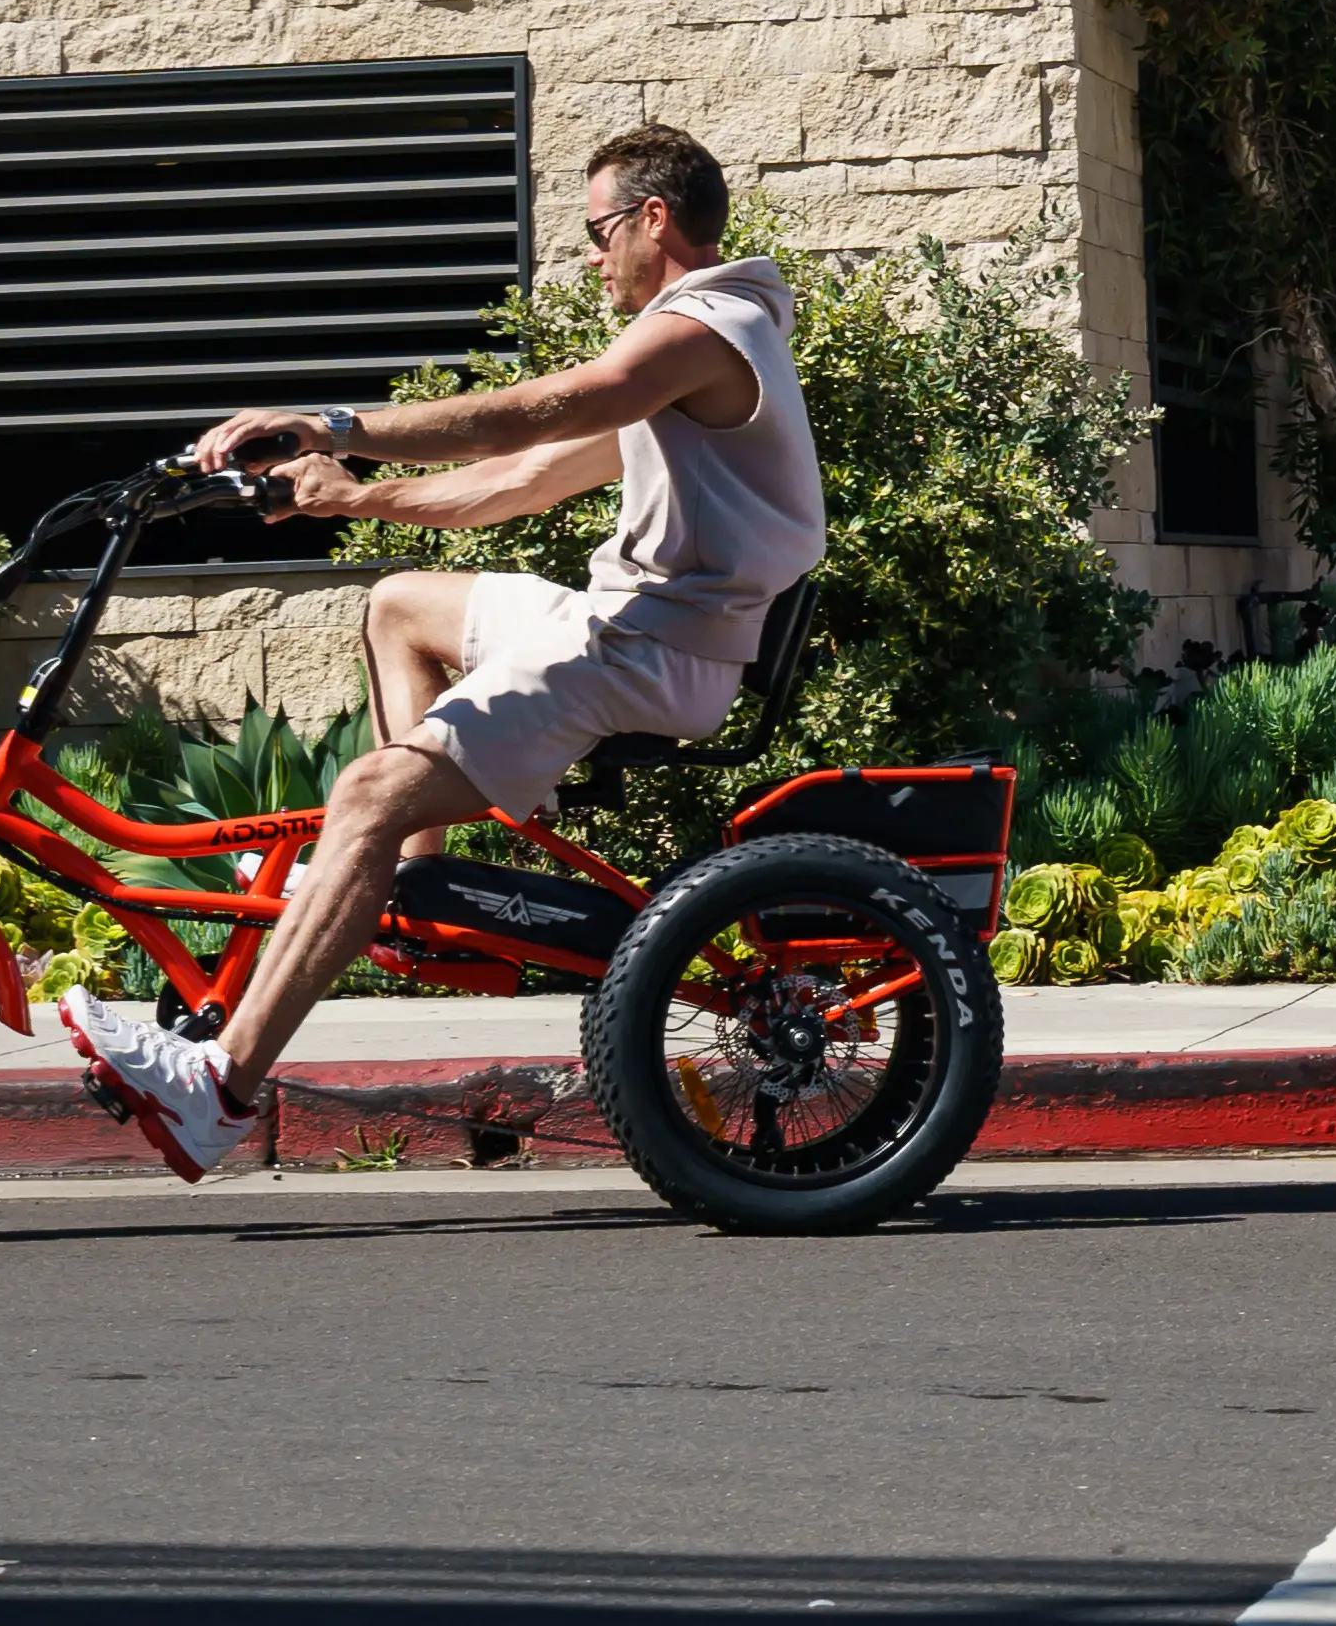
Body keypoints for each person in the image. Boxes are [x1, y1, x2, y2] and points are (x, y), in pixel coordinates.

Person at [52, 124, 819, 1180]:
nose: (589, 255)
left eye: (598, 231)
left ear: (654, 219)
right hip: (622, 624)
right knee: (403, 604)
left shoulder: (701, 329)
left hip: (650, 650)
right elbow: (517, 483)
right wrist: (359, 497)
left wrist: (338, 423)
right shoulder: (685, 354)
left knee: (367, 790)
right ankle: (416, 895)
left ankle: (217, 1089)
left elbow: (536, 410)